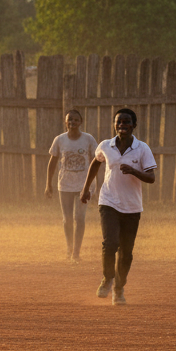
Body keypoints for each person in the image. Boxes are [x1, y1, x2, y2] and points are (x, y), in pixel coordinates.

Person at [80, 108, 156, 306]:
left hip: (132, 206)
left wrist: (133, 170)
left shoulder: (142, 149)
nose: (122, 125)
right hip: (109, 201)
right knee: (110, 243)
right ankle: (107, 278)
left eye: (126, 122)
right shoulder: (106, 145)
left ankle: (119, 288)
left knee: (126, 252)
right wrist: (86, 188)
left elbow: (151, 177)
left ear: (134, 125)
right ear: (114, 125)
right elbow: (96, 163)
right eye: (118, 122)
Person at [45, 110, 100, 262]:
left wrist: (94, 185)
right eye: (70, 120)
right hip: (65, 185)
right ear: (65, 122)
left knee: (80, 218)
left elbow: (97, 160)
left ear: (80, 122)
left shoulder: (88, 139)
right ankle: (69, 249)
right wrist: (48, 184)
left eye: (76, 120)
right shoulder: (60, 140)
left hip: (84, 185)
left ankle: (76, 253)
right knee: (67, 219)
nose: (72, 122)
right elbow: (53, 162)